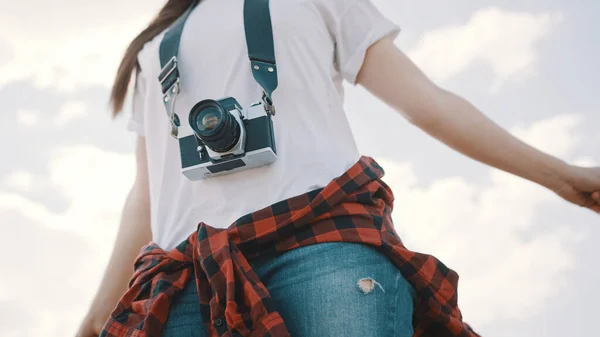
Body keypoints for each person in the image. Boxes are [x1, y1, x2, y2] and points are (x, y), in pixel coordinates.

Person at [76, 0, 600, 336]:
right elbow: (146, 195)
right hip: (191, 274)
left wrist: (562, 175)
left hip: (323, 244)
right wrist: (97, 316)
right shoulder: (151, 52)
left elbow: (428, 104)